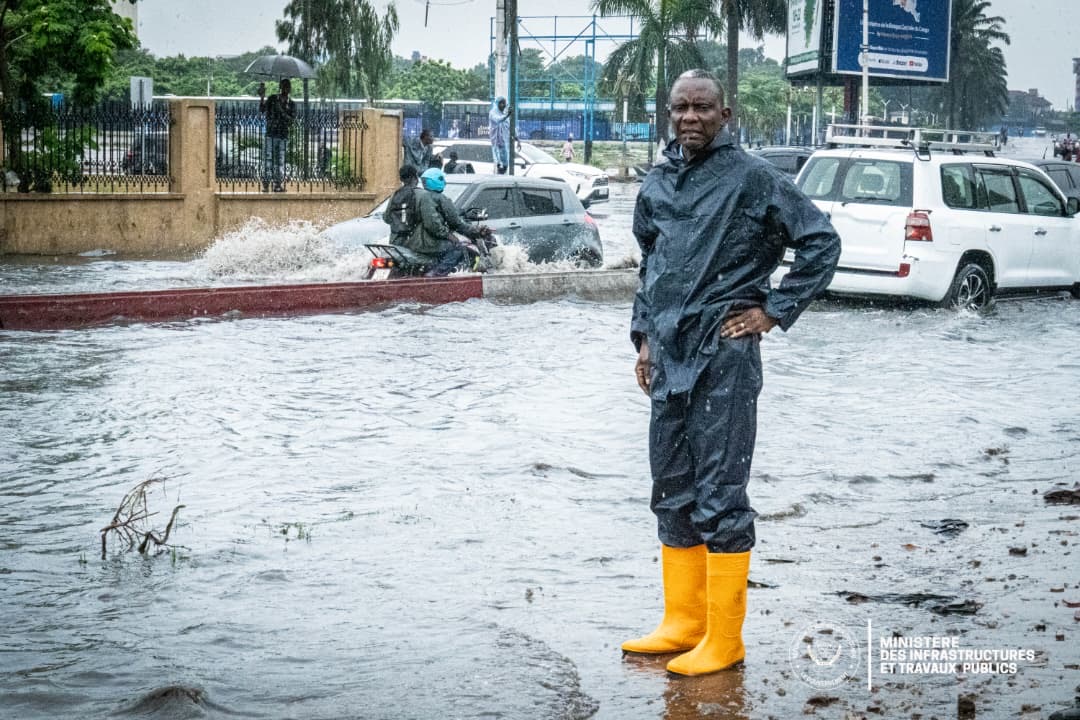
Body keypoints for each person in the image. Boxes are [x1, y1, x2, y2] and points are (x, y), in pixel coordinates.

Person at [622, 69, 840, 677]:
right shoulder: (659, 180)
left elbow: (821, 242)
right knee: (671, 488)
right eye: (680, 108)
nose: (689, 117)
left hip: (725, 354)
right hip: (666, 354)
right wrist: (643, 339)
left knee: (720, 493)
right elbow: (652, 264)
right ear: (669, 113)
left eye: (702, 107)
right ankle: (683, 623)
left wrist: (772, 311)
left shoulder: (755, 178)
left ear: (726, 113)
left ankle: (725, 639)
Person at [407, 168, 490, 276]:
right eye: (442, 179)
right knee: (459, 248)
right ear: (436, 180)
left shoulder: (418, 196)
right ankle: (436, 276)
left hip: (413, 241)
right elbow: (454, 222)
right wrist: (474, 231)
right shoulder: (439, 198)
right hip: (427, 242)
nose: (444, 182)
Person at [258, 78, 296, 193]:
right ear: (280, 87)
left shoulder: (292, 104)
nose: (286, 88)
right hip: (271, 133)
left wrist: (281, 111)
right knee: (267, 159)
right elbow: (262, 110)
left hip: (283, 135)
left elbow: (291, 121)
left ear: (290, 89)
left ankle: (277, 184)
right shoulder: (273, 99)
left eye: (288, 86)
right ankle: (265, 184)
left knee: (280, 161)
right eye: (284, 86)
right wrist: (262, 97)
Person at [381, 165, 420, 244]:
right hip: (414, 242)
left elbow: (386, 218)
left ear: (401, 179)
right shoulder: (419, 193)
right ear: (414, 177)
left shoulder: (396, 194)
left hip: (395, 241)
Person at [488, 96, 512, 174]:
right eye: (501, 103)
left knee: (505, 164)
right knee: (500, 163)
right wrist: (507, 115)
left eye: (504, 103)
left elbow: (510, 127)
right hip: (497, 143)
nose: (503, 105)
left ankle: (503, 169)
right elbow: (498, 120)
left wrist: (517, 138)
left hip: (505, 142)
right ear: (497, 104)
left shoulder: (505, 114)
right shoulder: (493, 113)